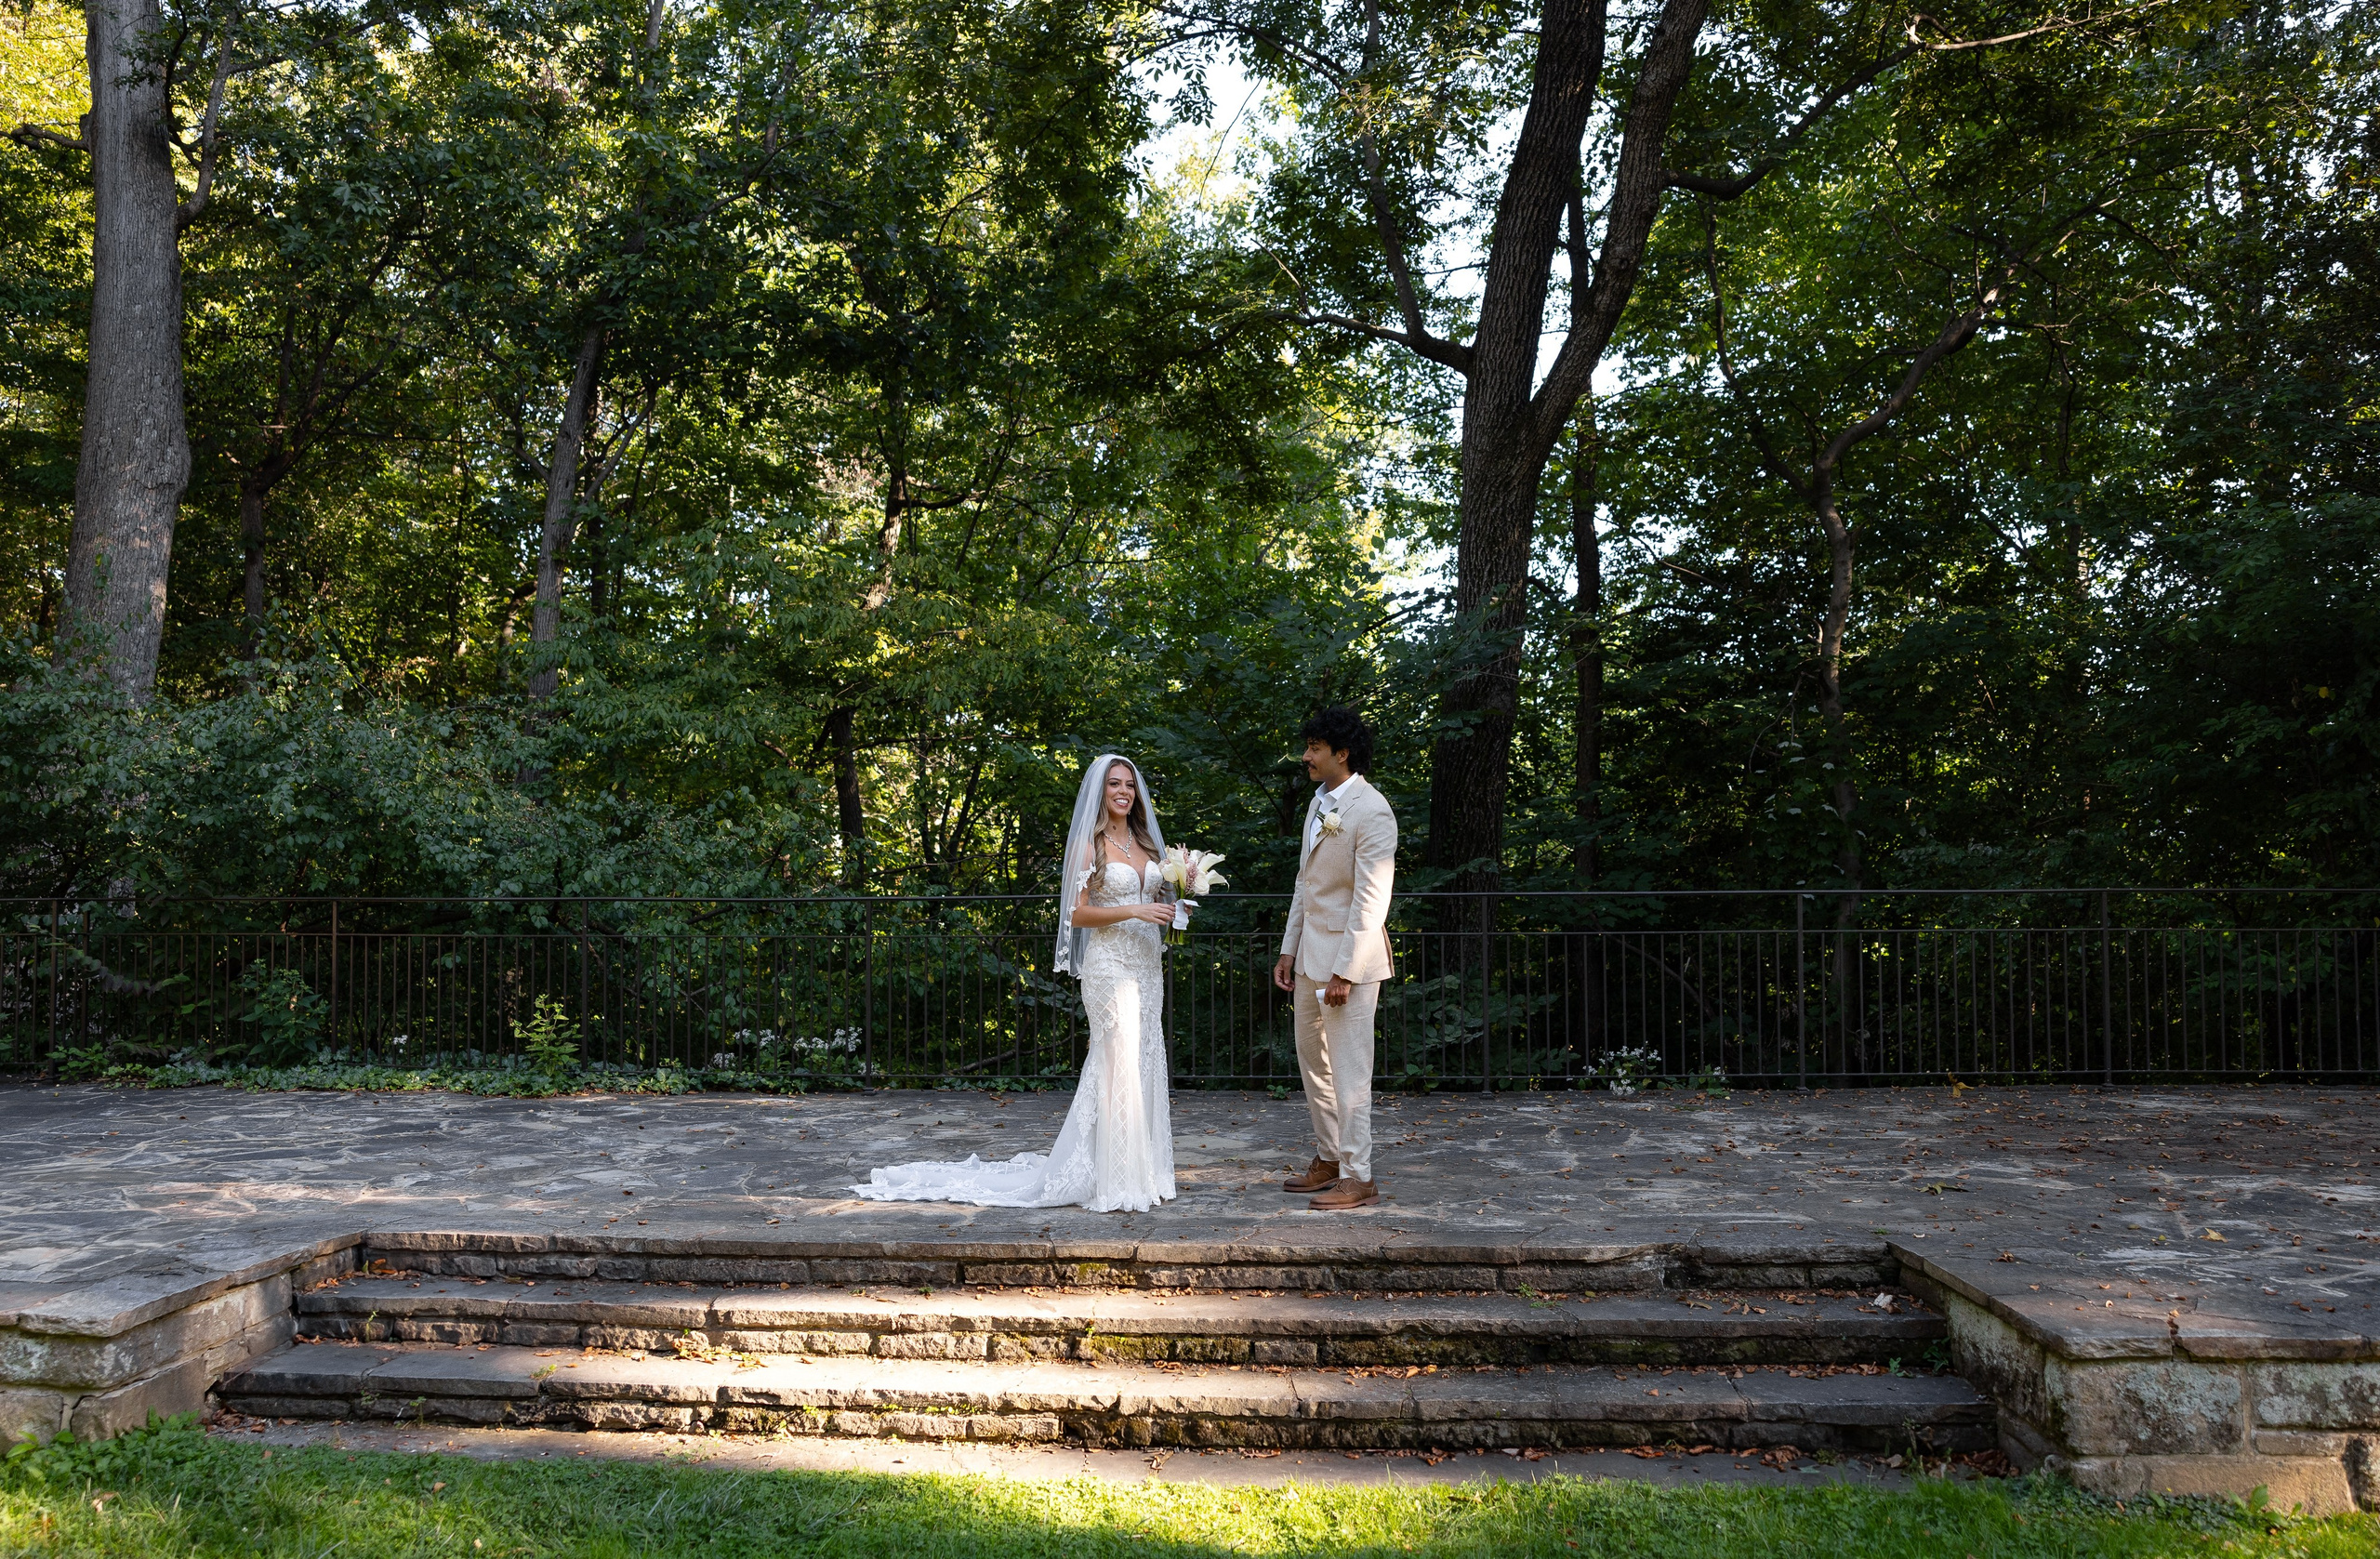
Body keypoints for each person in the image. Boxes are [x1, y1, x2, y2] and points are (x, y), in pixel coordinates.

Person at [852, 754, 1178, 1212]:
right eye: (1114, 785)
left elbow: (1160, 900)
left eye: (1129, 785)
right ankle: (1114, 1178)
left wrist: (1179, 897)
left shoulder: (1146, 843)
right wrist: (1134, 910)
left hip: (1146, 966)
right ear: (1100, 793)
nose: (1123, 792)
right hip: (1109, 966)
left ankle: (1142, 1173)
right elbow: (1076, 913)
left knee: (1145, 1055)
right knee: (1116, 1057)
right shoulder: (1092, 845)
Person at [1272, 707, 1397, 1209]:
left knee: (1350, 1071)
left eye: (1315, 748)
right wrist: (1288, 948)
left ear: (1341, 754)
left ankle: (1359, 1174)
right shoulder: (1319, 804)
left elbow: (1372, 899)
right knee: (1313, 1067)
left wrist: (1346, 968)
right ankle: (1329, 1158)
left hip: (1350, 964)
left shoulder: (1373, 810)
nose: (1306, 756)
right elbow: (1305, 883)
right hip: (1308, 959)